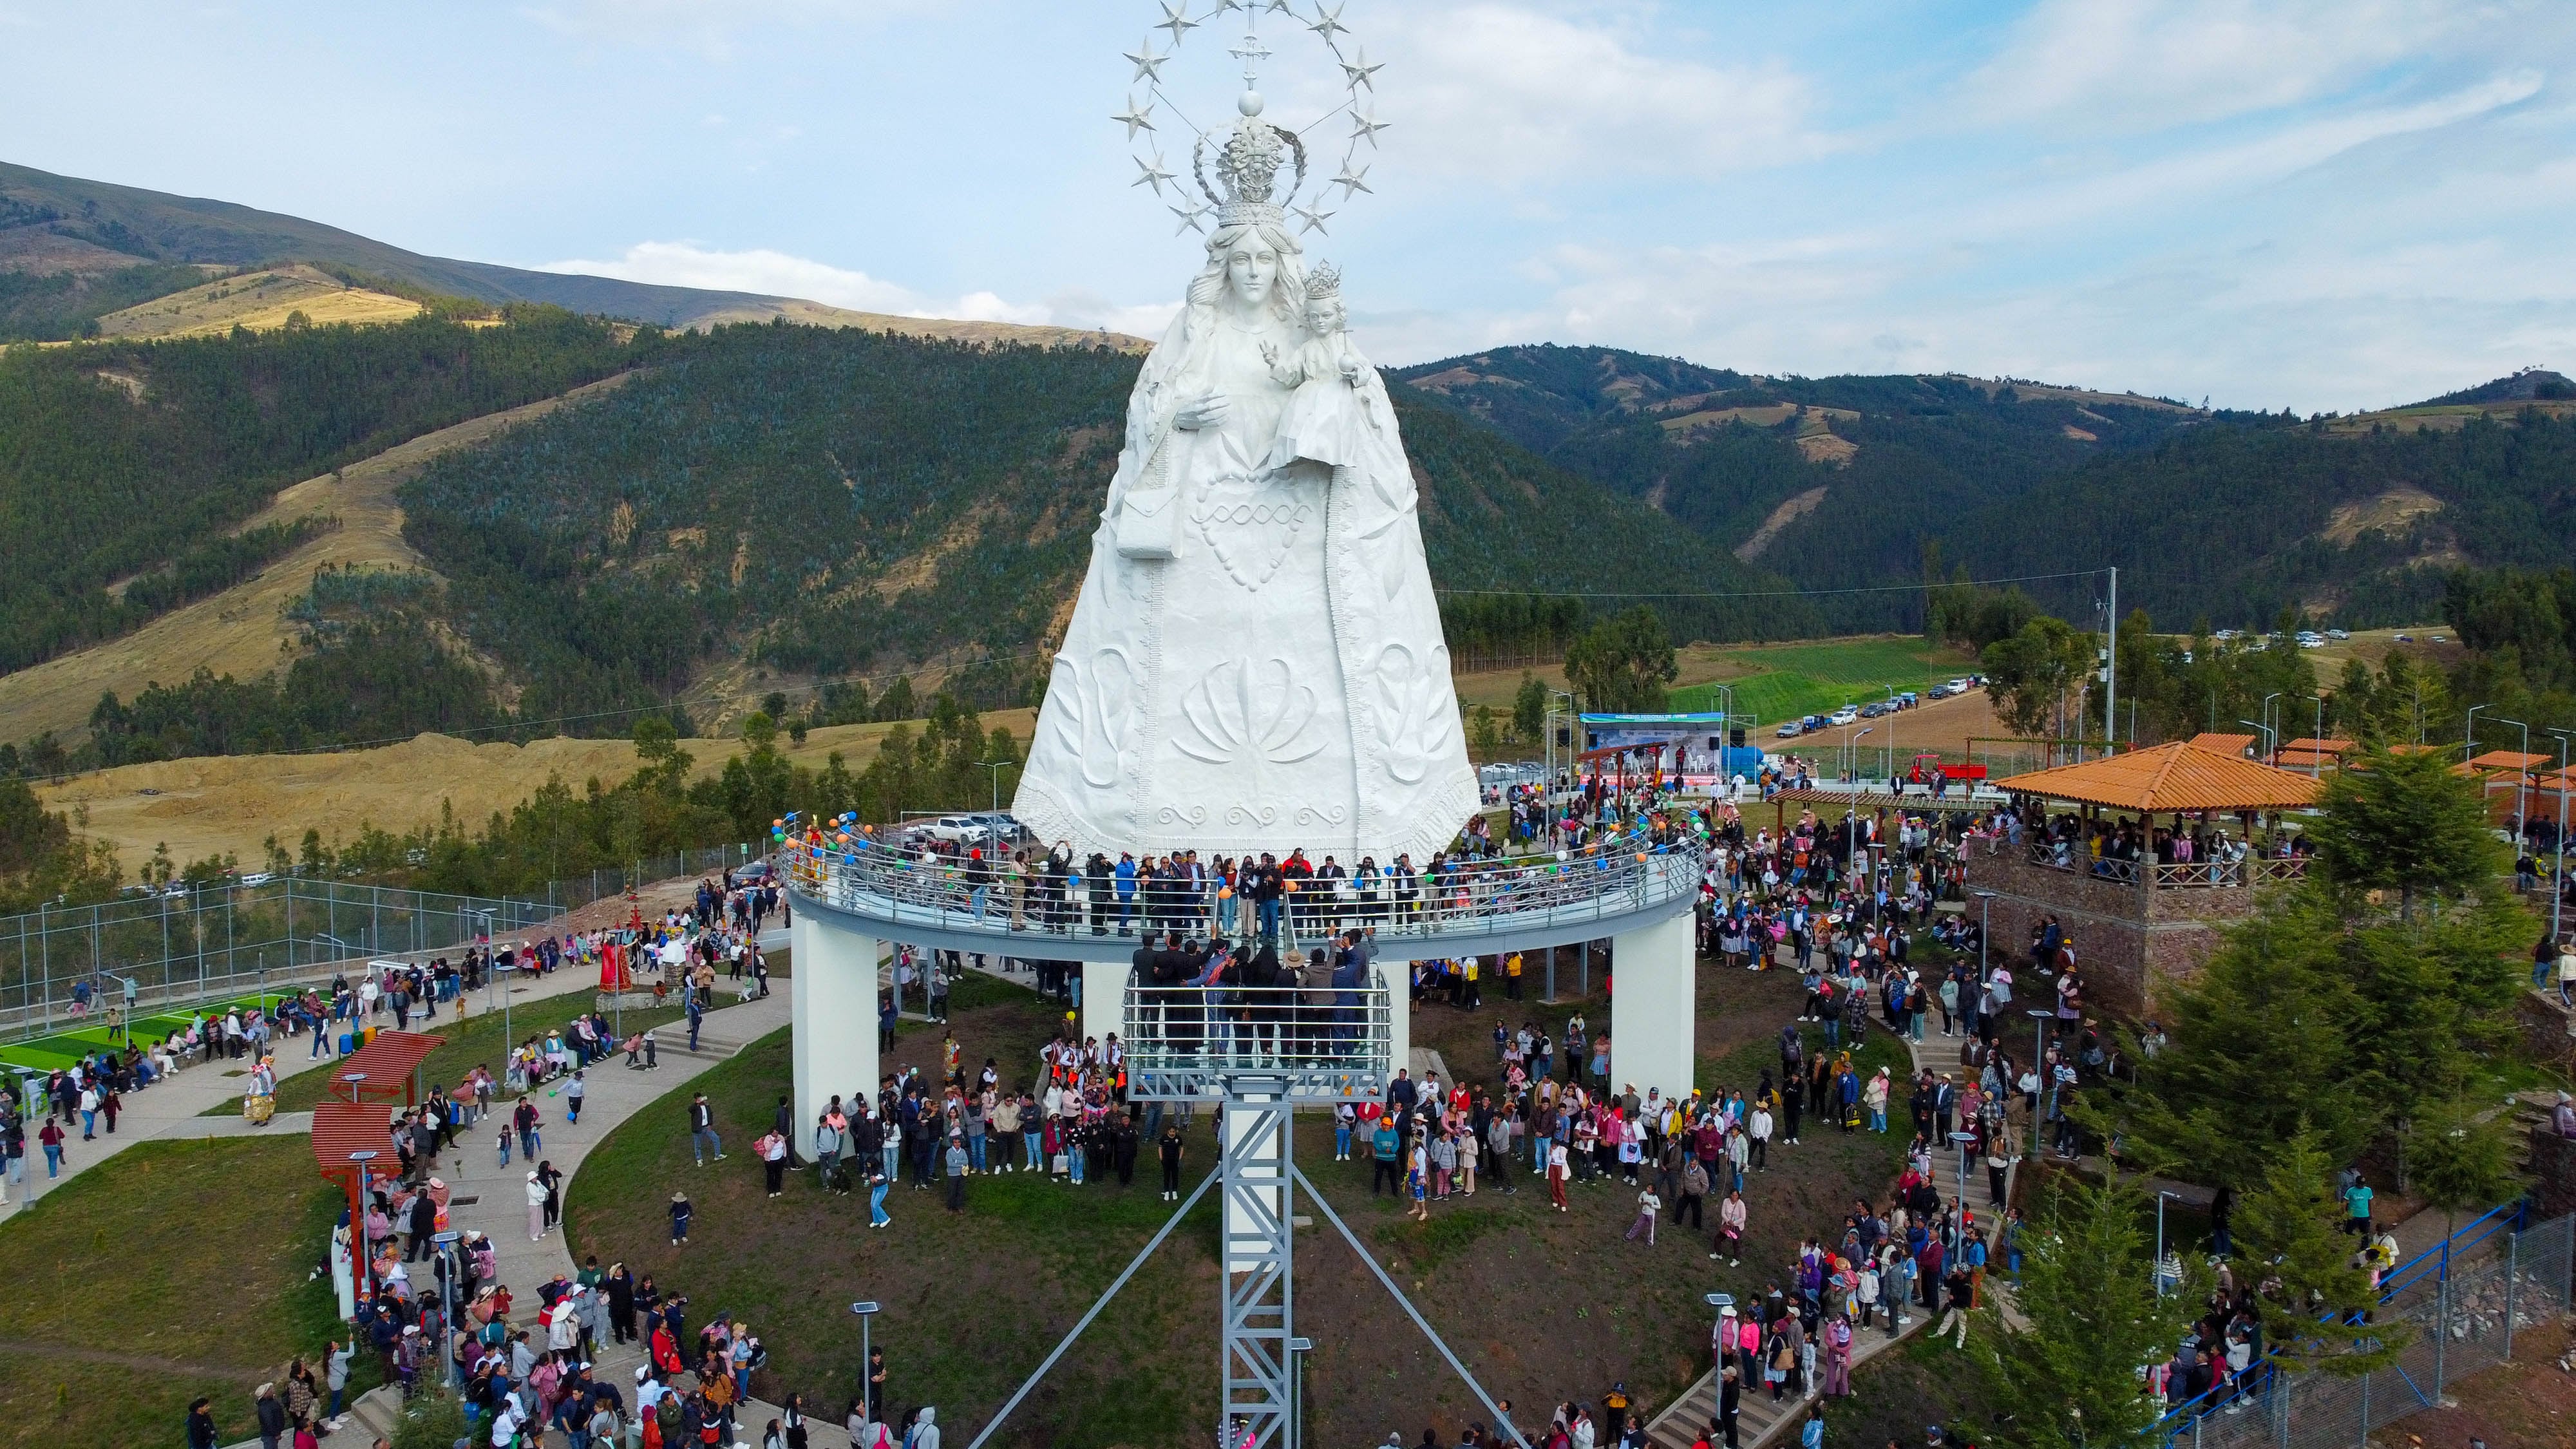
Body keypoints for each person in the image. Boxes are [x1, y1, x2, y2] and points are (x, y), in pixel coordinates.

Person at [690, 1094, 724, 1166]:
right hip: (698, 1129)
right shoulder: (695, 1108)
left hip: (707, 1127)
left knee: (716, 1138)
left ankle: (718, 1155)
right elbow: (690, 1109)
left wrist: (710, 1124)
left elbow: (710, 1115)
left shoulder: (706, 1106)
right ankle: (699, 1159)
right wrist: (696, 1104)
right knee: (698, 1145)